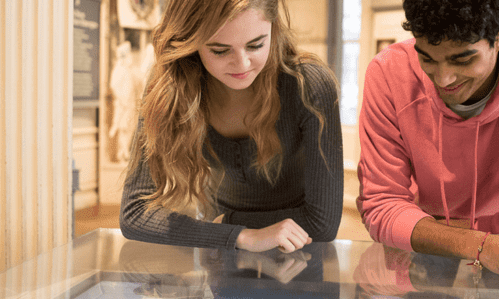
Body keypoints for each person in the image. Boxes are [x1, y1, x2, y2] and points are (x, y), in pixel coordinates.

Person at [357, 0, 499, 277]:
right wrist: (480, 244)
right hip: (420, 266)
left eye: (462, 59)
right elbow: (380, 208)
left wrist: (423, 229)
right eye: (427, 58)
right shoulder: (389, 71)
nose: (443, 79)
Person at [120, 0, 342, 253]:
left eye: (256, 45)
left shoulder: (309, 86)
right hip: (223, 247)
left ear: (274, 28)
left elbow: (322, 222)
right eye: (220, 50)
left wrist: (228, 224)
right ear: (190, 42)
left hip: (298, 247)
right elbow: (134, 213)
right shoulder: (169, 85)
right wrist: (239, 235)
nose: (243, 64)